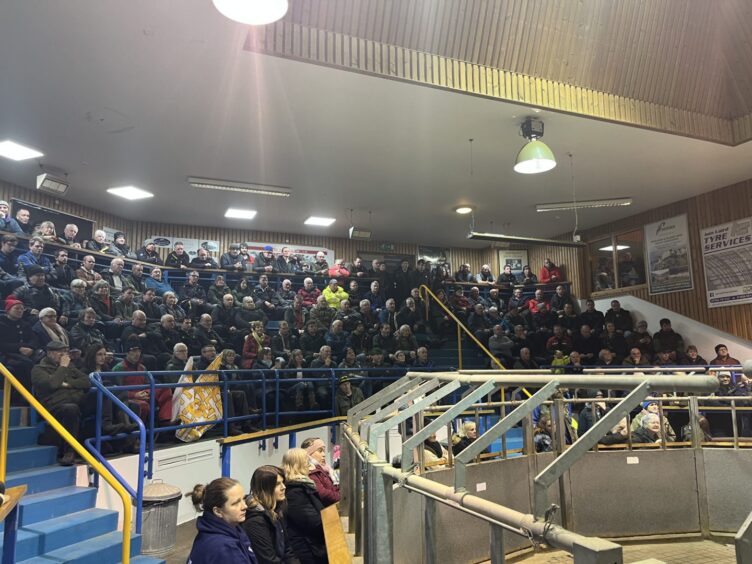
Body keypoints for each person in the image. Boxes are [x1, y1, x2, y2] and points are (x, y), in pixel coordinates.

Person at [188, 477, 258, 564]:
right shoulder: (224, 548)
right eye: (236, 503)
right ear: (218, 511)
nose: (244, 506)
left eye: (243, 499)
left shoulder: (231, 528)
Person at [241, 465, 300, 564]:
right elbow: (269, 560)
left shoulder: (276, 509)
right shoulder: (255, 521)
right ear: (264, 489)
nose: (284, 487)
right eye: (277, 484)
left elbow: (287, 550)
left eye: (282, 482)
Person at [282, 448, 328, 564]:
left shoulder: (303, 485)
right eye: (307, 462)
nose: (310, 465)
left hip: (312, 545)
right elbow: (311, 522)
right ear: (298, 465)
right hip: (308, 549)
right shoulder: (294, 492)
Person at [301, 437, 340, 507]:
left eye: (324, 451)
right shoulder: (309, 472)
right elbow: (323, 493)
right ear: (309, 454)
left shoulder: (325, 470)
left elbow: (334, 487)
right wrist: (341, 497)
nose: (324, 455)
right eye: (320, 451)